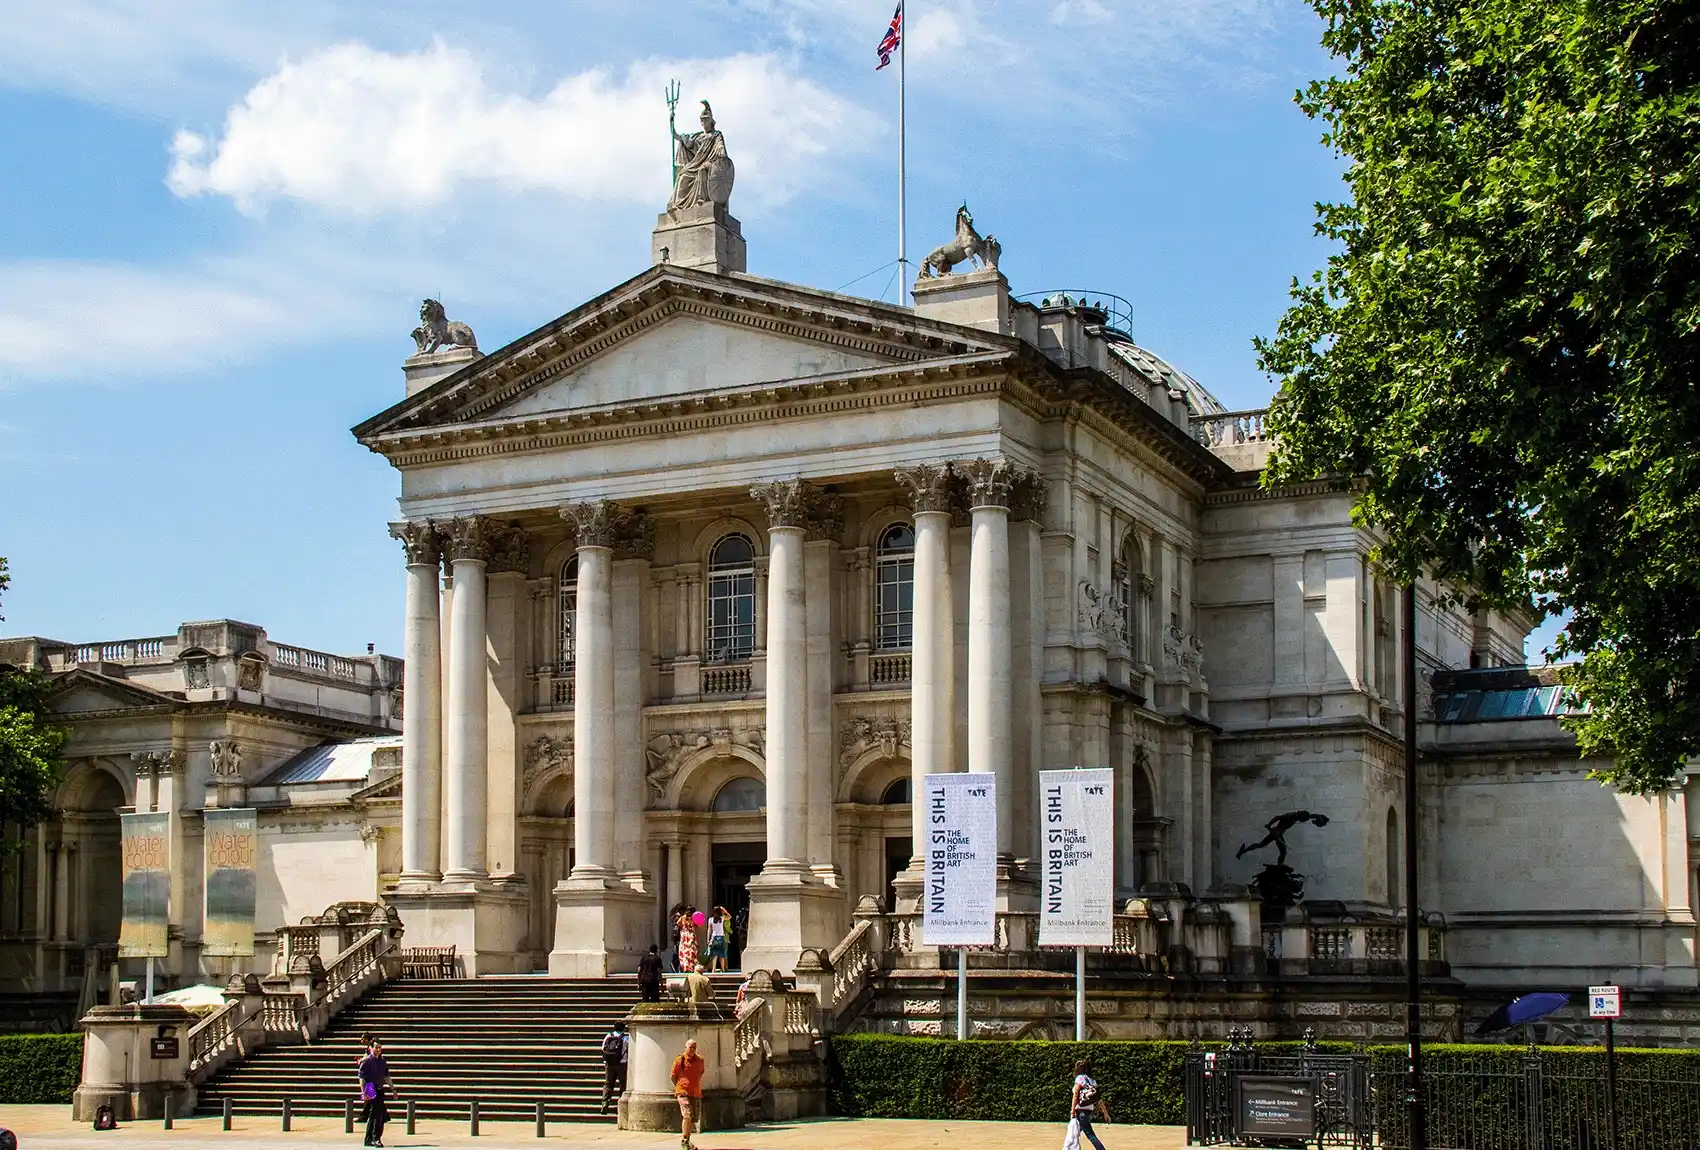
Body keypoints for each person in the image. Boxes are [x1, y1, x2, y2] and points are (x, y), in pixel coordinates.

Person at [1061, 1059, 1110, 1150]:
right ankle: (1068, 1148)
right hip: (1090, 1112)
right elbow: (1098, 1099)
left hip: (1081, 1112)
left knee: (1090, 1135)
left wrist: (1072, 1111)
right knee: (1074, 1132)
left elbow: (1075, 1094)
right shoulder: (1092, 1081)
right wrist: (1105, 1113)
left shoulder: (1079, 1078)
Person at [670, 1037, 706, 1150]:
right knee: (687, 1115)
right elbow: (673, 1076)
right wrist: (679, 1086)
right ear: (685, 1048)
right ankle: (684, 1141)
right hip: (682, 1091)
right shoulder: (679, 1060)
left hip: (695, 1092)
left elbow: (701, 1073)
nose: (692, 1049)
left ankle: (687, 1142)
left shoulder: (700, 1060)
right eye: (690, 1047)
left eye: (694, 1047)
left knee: (693, 1118)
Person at [357, 1038, 393, 1147]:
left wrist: (393, 1088)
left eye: (380, 1048)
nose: (378, 1050)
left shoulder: (382, 1061)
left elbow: (386, 1075)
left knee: (375, 1114)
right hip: (370, 1087)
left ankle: (369, 1138)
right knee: (377, 1114)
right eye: (376, 1047)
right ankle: (375, 1137)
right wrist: (363, 1092)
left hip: (380, 1088)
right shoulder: (367, 1060)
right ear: (371, 1048)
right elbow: (361, 1077)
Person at [598, 1021, 629, 1116]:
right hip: (621, 1064)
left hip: (609, 1064)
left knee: (608, 1084)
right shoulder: (625, 1038)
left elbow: (603, 1048)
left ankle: (605, 1103)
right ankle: (621, 1105)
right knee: (623, 1084)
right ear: (623, 1028)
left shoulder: (608, 1036)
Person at [676, 906, 700, 973]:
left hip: (684, 936)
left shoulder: (682, 917)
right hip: (691, 936)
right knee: (692, 952)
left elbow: (678, 924)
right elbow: (698, 925)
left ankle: (685, 967)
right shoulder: (694, 918)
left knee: (684, 953)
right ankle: (692, 968)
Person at [707, 906, 730, 972]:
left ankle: (713, 969)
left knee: (714, 954)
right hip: (721, 937)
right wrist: (724, 910)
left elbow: (709, 930)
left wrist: (708, 940)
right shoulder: (722, 918)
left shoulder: (710, 919)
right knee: (721, 954)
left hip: (714, 937)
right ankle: (723, 969)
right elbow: (729, 917)